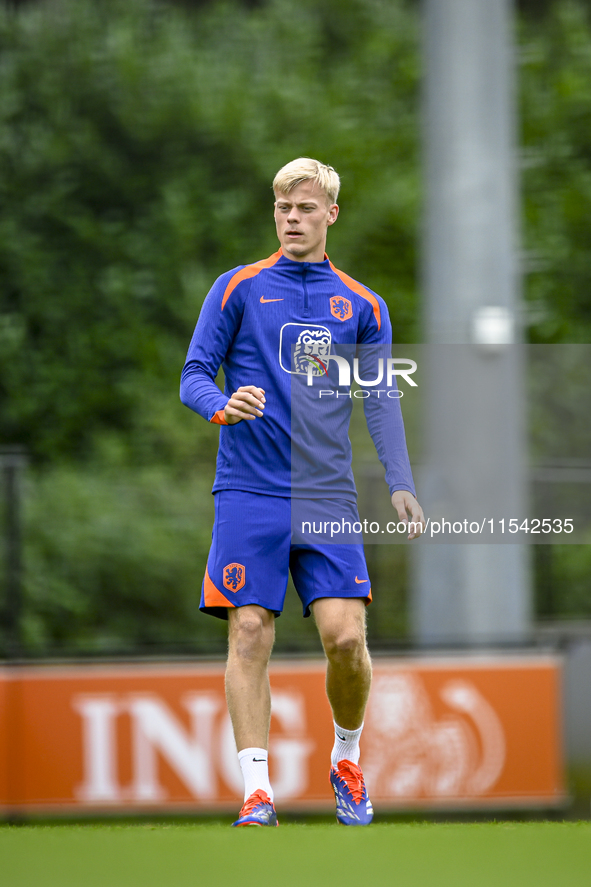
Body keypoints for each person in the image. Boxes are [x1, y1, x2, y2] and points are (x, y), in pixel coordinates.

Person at [180, 158, 424, 827]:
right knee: (250, 630)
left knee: (345, 638)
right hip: (248, 490)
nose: (292, 217)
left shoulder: (363, 304)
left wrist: (400, 483)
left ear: (330, 215)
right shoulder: (237, 288)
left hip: (325, 496)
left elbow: (379, 400)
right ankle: (257, 789)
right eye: (283, 206)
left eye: (305, 207)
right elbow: (193, 372)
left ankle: (346, 757)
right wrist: (222, 404)